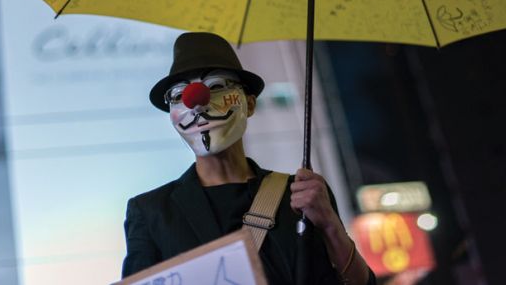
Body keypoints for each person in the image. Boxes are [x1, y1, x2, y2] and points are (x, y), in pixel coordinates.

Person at [121, 32, 376, 284]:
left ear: (249, 104)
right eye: (178, 96)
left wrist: (330, 226)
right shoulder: (152, 213)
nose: (196, 103)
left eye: (217, 87)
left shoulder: (302, 195)